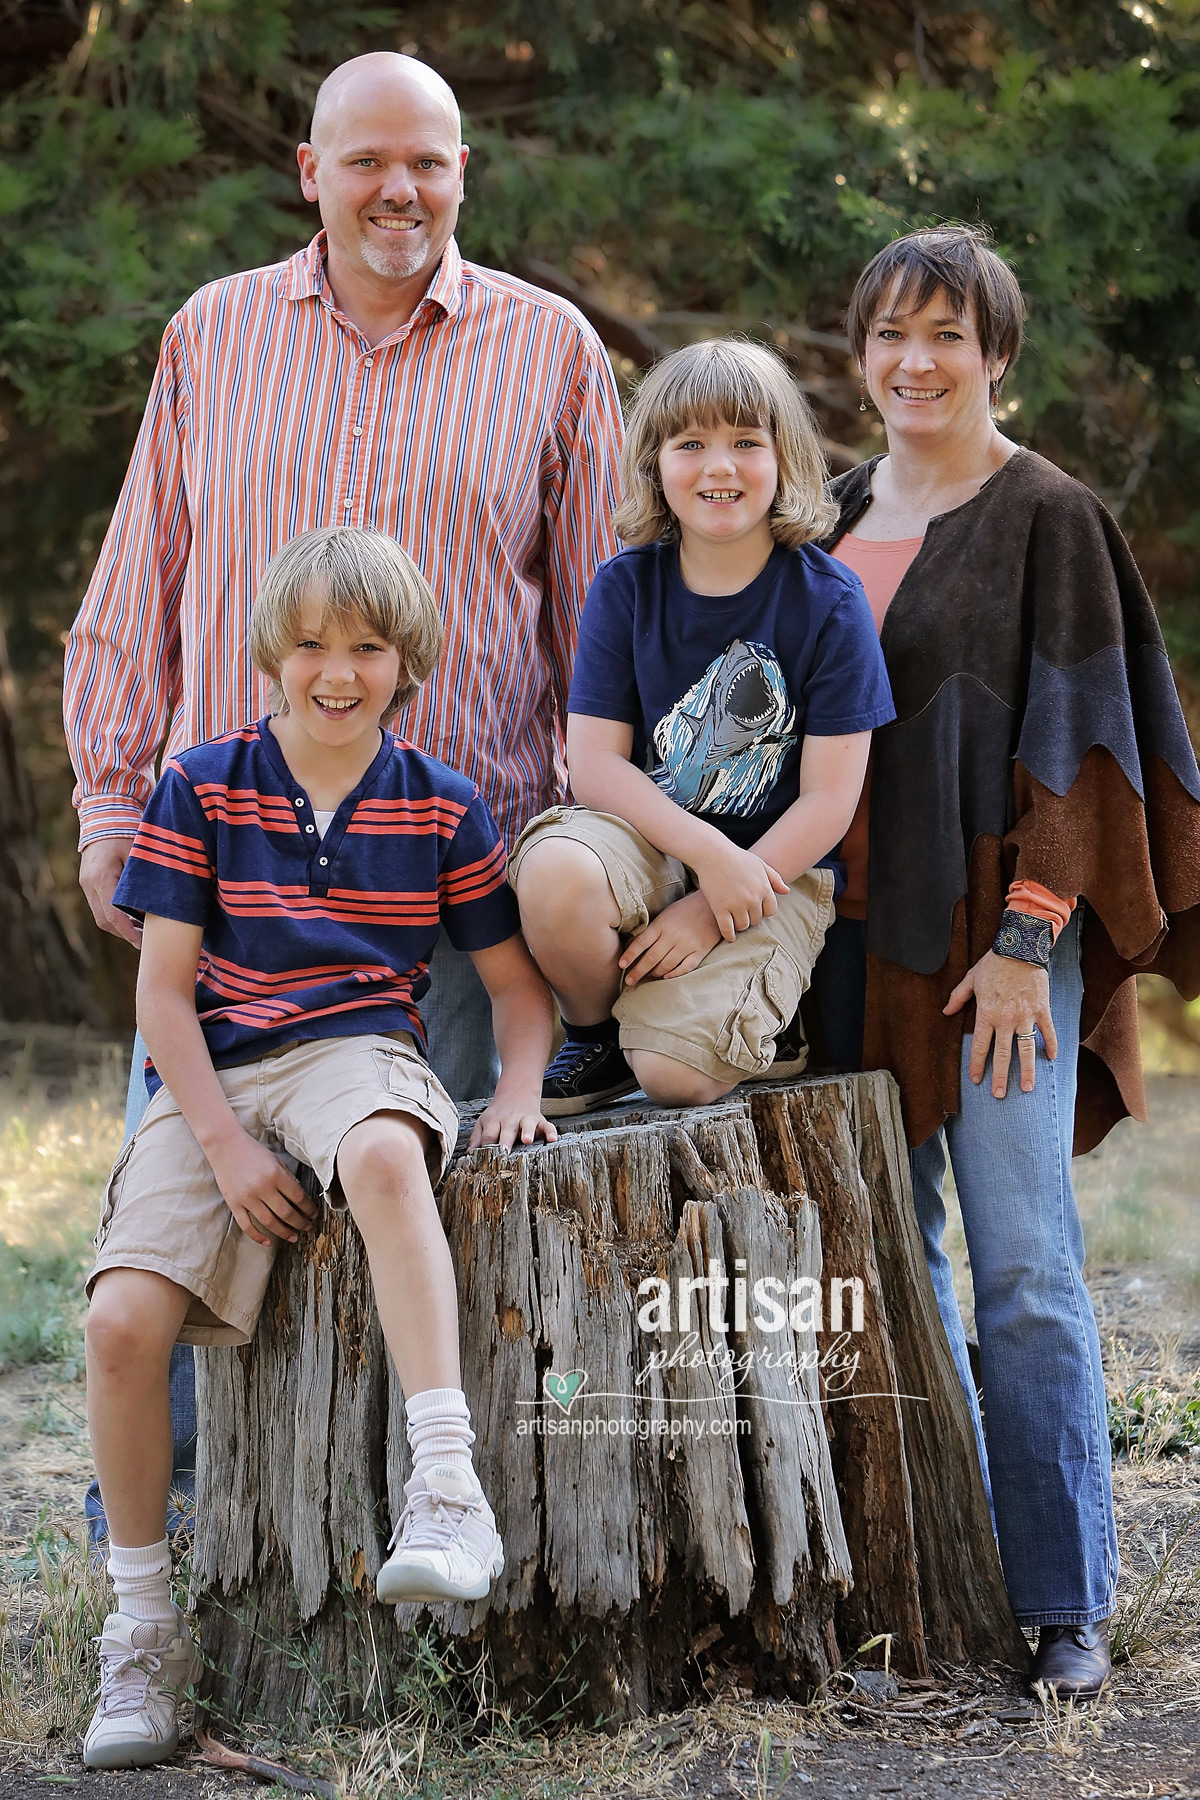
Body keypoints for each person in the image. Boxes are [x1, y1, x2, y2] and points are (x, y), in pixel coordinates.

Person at [64, 49, 621, 1544]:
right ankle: (173, 1579)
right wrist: (115, 812)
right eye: (367, 159)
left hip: (448, 895)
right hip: (220, 884)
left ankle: (431, 1549)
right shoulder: (215, 336)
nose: (401, 188)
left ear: (461, 173)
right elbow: (134, 595)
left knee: (424, 1238)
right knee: (172, 1257)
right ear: (310, 172)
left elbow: (599, 635)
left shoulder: (550, 348)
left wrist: (615, 858)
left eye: (429, 161)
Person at [81, 527, 557, 1770]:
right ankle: (143, 1632)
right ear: (269, 656)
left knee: (392, 1159)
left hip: (359, 1049)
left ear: (410, 661)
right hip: (219, 1070)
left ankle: (447, 1488)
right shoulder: (202, 783)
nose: (336, 671)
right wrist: (227, 1142)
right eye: (310, 644)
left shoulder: (443, 803)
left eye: (367, 646)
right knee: (121, 1321)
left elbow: (515, 988)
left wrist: (514, 1085)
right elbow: (164, 995)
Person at [812, 225, 1200, 1700]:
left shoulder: (1050, 514)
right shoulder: (827, 512)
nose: (917, 362)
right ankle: (924, 1589)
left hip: (992, 958)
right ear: (860, 357)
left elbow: (1085, 745)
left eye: (948, 336)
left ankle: (1061, 1606)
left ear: (996, 354)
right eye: (892, 335)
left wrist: (1031, 942)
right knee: (885, 1269)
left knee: (1024, 1268)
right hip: (840, 952)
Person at [509, 339, 894, 1114]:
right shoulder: (624, 587)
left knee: (675, 1079)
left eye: (746, 443)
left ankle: (765, 1026)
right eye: (691, 445)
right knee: (553, 872)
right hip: (655, 844)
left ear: (785, 459)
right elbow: (595, 765)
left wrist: (716, 896)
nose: (720, 467)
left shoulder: (831, 602)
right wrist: (704, 861)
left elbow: (828, 802)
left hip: (775, 870)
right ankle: (595, 1035)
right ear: (655, 465)